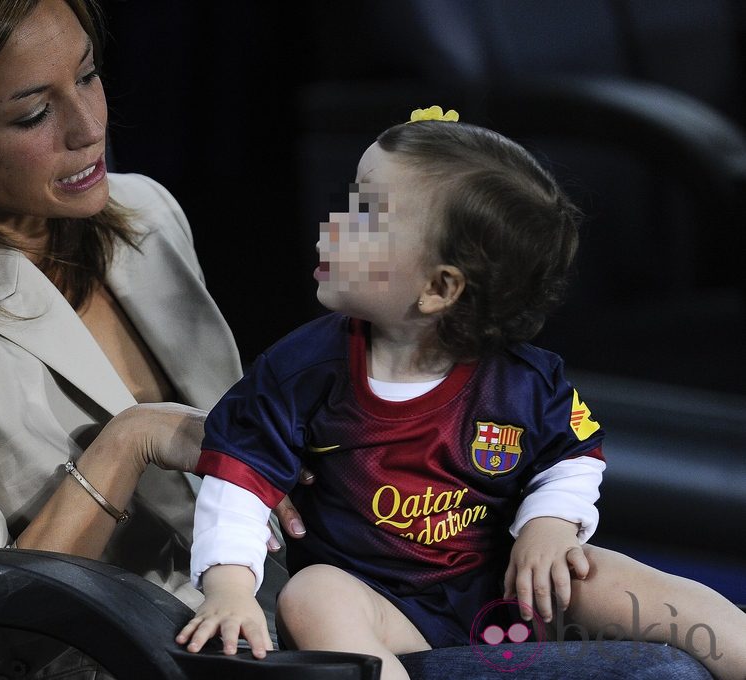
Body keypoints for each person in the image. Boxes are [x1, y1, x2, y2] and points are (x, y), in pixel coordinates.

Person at [0, 0, 302, 677]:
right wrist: (129, 441)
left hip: (274, 618)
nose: (89, 127)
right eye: (33, 114)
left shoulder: (147, 213)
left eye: (90, 77)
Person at [176, 108, 746, 679]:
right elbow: (239, 483)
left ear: (438, 288)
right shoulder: (301, 371)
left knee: (606, 575)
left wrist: (548, 526)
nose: (332, 224)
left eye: (364, 216)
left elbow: (572, 460)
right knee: (312, 595)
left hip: (512, 592)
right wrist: (228, 587)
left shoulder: (524, 380)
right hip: (390, 614)